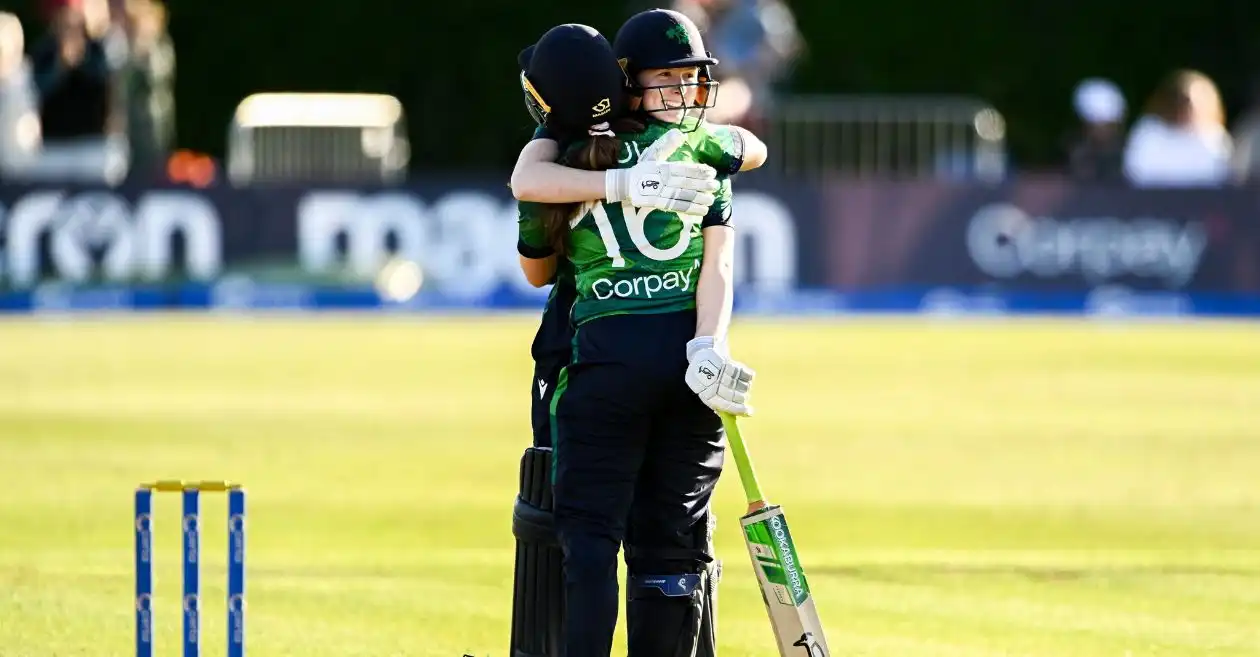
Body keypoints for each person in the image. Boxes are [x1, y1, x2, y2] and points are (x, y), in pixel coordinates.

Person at [514, 11, 766, 657]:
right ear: (628, 83)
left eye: (691, 79)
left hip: (604, 365)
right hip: (684, 364)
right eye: (670, 78)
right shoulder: (703, 147)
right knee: (671, 546)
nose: (684, 91)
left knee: (591, 546)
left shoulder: (566, 153)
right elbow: (722, 258)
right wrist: (709, 340)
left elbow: (532, 240)